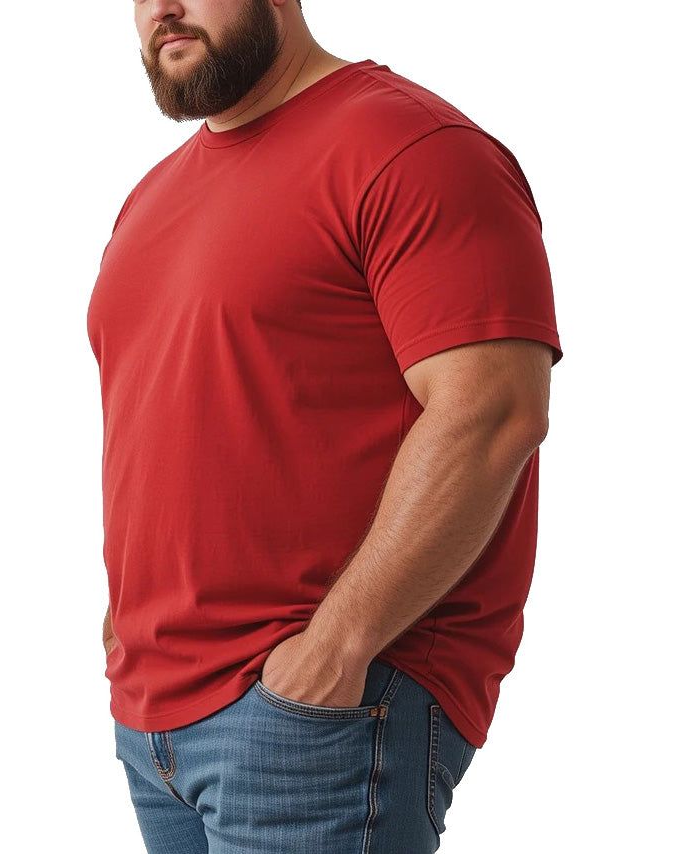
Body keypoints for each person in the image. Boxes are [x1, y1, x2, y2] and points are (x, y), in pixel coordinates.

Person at [86, 1, 563, 851]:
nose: (163, 8)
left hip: (319, 714)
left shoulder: (410, 148)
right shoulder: (150, 198)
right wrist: (128, 618)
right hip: (153, 716)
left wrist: (336, 650)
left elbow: (492, 412)